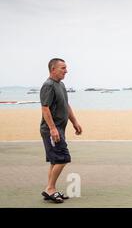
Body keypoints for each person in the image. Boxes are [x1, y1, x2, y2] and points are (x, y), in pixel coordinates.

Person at [40, 58, 82, 203]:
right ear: (53, 69)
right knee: (63, 157)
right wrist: (52, 128)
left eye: (66, 68)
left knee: (55, 160)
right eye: (63, 68)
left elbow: (66, 105)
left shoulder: (61, 85)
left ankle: (50, 189)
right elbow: (45, 108)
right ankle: (50, 189)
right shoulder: (48, 86)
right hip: (52, 130)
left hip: (59, 129)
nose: (66, 71)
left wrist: (74, 122)